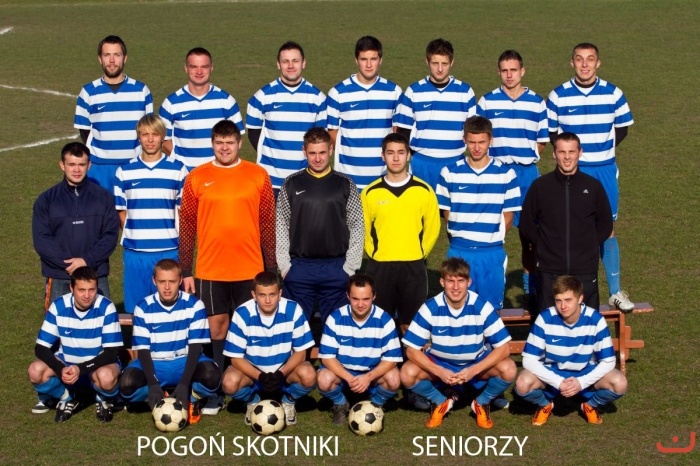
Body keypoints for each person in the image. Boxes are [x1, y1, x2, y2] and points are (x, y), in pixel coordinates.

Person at [179, 119, 276, 414]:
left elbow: (268, 223)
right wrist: (186, 270)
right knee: (217, 327)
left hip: (250, 269)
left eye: (230, 142)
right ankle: (216, 390)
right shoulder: (197, 177)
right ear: (212, 144)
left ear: (239, 143)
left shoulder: (257, 174)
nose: (224, 148)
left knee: (251, 328)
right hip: (211, 269)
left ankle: (254, 387)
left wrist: (271, 268)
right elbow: (187, 225)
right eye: (219, 143)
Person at [547, 43, 635, 312]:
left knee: (607, 229)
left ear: (598, 63)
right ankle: (566, 292)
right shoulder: (558, 96)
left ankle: (615, 291)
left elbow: (622, 128)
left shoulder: (613, 93)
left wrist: (601, 151)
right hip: (573, 172)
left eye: (590, 59)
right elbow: (553, 135)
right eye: (579, 59)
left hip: (604, 170)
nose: (584, 64)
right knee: (569, 228)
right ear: (571, 63)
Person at [400, 258, 516, 429]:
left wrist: (474, 370)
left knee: (509, 369)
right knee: (407, 373)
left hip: (474, 363)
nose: (455, 287)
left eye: (460, 281)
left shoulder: (482, 306)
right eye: (450, 281)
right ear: (442, 282)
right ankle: (439, 401)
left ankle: (481, 402)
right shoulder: (430, 307)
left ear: (469, 282)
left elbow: (504, 348)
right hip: (440, 363)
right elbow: (411, 350)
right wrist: (439, 371)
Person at [476, 50, 549, 308]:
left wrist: (524, 157)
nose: (509, 75)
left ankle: (531, 289)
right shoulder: (486, 102)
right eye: (504, 70)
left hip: (527, 175)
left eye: (514, 70)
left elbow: (542, 141)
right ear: (498, 72)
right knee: (492, 234)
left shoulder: (537, 103)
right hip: (496, 175)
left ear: (522, 71)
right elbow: (479, 137)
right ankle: (490, 287)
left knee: (530, 235)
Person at [276, 127, 364, 328]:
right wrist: (285, 267)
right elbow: (281, 224)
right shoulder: (291, 183)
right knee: (294, 328)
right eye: (312, 153)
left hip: (336, 268)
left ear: (331, 150)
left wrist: (350, 268)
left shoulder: (345, 183)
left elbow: (357, 225)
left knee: (337, 329)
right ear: (304, 151)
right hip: (299, 268)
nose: (317, 158)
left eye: (322, 152)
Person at [514, 275, 627, 425]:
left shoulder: (596, 319)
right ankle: (545, 404)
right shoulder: (545, 318)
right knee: (522, 384)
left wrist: (582, 382)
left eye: (568, 300)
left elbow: (609, 361)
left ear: (580, 298)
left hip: (585, 371)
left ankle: (590, 405)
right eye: (558, 300)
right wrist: (558, 382)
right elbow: (528, 360)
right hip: (553, 372)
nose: (563, 306)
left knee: (620, 383)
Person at [519, 132, 613, 314]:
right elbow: (526, 223)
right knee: (548, 324)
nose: (567, 157)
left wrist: (589, 245)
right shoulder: (540, 186)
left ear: (580, 152)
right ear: (554, 154)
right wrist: (543, 246)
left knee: (587, 324)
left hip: (585, 271)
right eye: (562, 152)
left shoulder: (593, 186)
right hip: (549, 271)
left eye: (571, 151)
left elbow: (605, 223)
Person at [118, 259, 221, 424]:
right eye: (162, 281)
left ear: (180, 280)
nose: (167, 287)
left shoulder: (195, 305)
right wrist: (152, 383)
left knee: (212, 376)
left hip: (185, 361)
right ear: (154, 281)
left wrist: (184, 384)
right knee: (126, 385)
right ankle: (158, 395)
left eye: (172, 281)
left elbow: (195, 348)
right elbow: (143, 351)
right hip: (155, 364)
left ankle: (192, 398)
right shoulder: (143, 307)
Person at [436, 116, 520, 311]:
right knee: (456, 308)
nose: (476, 147)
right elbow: (447, 213)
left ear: (491, 140)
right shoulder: (449, 172)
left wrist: (491, 239)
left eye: (481, 142)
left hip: (491, 253)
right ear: (464, 140)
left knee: (491, 312)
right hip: (459, 251)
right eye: (472, 142)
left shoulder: (506, 174)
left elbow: (508, 217)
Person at [361, 133, 440, 336]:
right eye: (390, 153)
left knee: (411, 327)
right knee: (379, 326)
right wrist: (375, 253)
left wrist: (419, 253)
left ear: (408, 155)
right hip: (380, 266)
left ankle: (411, 358)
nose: (396, 158)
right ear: (383, 156)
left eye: (400, 152)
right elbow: (363, 230)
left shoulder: (424, 191)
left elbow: (432, 228)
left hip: (413, 267)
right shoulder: (370, 192)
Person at [28, 266, 123, 423]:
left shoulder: (106, 307)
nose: (87, 295)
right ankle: (67, 397)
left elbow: (111, 353)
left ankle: (103, 399)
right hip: (67, 363)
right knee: (35, 370)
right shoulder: (59, 306)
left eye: (91, 290)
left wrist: (81, 369)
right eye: (81, 290)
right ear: (71, 288)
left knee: (106, 378)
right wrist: (60, 368)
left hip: (97, 365)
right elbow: (41, 348)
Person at [114, 115, 188, 313]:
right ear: (138, 137)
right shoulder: (124, 171)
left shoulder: (178, 170)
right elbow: (121, 211)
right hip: (136, 253)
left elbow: (182, 211)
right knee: (137, 310)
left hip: (168, 250)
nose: (149, 139)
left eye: (154, 134)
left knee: (171, 309)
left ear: (163, 136)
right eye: (144, 134)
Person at [221, 271, 316, 426]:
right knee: (229, 382)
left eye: (272, 294)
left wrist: (281, 374)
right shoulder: (242, 313)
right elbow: (235, 358)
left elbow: (301, 353)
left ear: (280, 293)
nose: (267, 300)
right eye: (262, 295)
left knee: (309, 375)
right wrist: (260, 377)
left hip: (284, 371)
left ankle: (288, 401)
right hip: (253, 373)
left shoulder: (293, 309)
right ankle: (252, 401)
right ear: (254, 295)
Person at [32, 142, 120, 308]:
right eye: (72, 164)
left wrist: (87, 260)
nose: (77, 170)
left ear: (89, 165)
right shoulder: (46, 200)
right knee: (58, 323)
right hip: (59, 274)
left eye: (81, 164)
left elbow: (110, 236)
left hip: (95, 274)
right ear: (62, 165)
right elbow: (41, 239)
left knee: (100, 321)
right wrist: (68, 264)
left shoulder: (104, 198)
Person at [317, 274, 403, 424]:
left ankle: (375, 405)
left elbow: (392, 359)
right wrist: (350, 378)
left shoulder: (385, 320)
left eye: (366, 299)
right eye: (355, 299)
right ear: (347, 296)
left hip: (372, 373)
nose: (360, 304)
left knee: (394, 378)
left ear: (374, 296)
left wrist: (368, 377)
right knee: (323, 379)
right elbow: (327, 357)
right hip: (344, 373)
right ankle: (340, 403)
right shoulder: (335, 318)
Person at [393, 38, 476, 191]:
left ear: (452, 62)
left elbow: (473, 132)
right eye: (435, 63)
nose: (440, 69)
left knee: (453, 206)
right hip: (422, 163)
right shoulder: (413, 91)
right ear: (427, 62)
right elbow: (403, 132)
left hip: (455, 162)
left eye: (444, 63)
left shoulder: (465, 92)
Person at [74, 35, 153, 192]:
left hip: (134, 166)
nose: (111, 60)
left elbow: (149, 129)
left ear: (125, 58)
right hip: (99, 170)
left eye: (116, 55)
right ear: (100, 59)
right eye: (106, 55)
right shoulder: (88, 92)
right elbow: (84, 131)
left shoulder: (141, 91)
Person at [246, 41, 327, 193]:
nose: (290, 66)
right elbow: (253, 133)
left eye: (295, 61)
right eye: (285, 61)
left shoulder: (318, 99)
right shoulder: (261, 97)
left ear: (303, 63)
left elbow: (320, 140)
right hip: (270, 182)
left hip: (306, 181)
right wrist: (273, 158)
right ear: (278, 64)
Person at [326, 35, 402, 190]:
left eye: (373, 59)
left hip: (382, 178)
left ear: (380, 60)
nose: (368, 65)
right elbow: (332, 133)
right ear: (356, 60)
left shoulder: (394, 92)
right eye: (363, 59)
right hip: (347, 179)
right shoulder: (337, 93)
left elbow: (396, 133)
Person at [160, 47, 245, 170]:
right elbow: (163, 141)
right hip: (185, 175)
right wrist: (182, 166)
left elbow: (236, 140)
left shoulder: (227, 101)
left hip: (217, 174)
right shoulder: (170, 103)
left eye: (204, 67)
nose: (199, 72)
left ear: (211, 68)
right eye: (193, 67)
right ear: (186, 68)